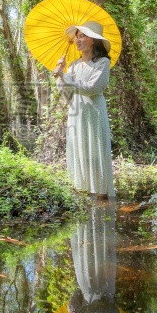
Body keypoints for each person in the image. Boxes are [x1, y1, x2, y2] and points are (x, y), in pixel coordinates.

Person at [53, 19, 115, 201]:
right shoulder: (73, 66)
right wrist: (61, 76)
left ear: (93, 40)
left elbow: (92, 88)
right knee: (79, 152)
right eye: (77, 37)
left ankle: (102, 200)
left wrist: (64, 76)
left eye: (83, 36)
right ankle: (83, 196)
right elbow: (67, 96)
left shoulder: (102, 63)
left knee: (96, 153)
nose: (78, 40)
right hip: (77, 115)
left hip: (94, 115)